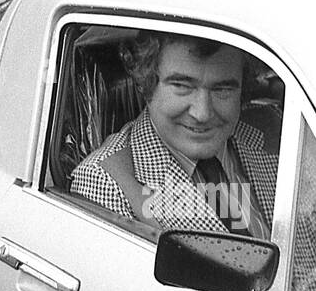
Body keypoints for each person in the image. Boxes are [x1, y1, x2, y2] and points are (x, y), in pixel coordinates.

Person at [70, 32, 279, 240]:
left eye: (223, 89)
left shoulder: (276, 136)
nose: (202, 113)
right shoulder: (107, 182)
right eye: (182, 86)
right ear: (146, 83)